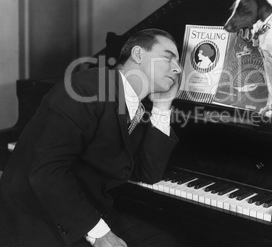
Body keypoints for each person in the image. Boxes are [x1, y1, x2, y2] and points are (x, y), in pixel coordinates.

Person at [0, 28, 182, 246]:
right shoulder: (86, 88)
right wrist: (100, 234)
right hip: (38, 215)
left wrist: (162, 106)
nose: (178, 68)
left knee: (165, 242)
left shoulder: (135, 105)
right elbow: (47, 171)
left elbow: (148, 173)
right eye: (168, 58)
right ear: (138, 54)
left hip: (86, 206)